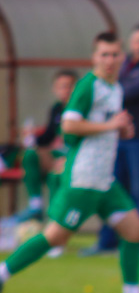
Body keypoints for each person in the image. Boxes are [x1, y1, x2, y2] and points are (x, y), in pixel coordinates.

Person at [0, 32, 139, 293]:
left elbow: (103, 126)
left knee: (135, 230)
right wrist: (110, 125)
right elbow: (69, 126)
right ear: (94, 57)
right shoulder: (88, 86)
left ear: (123, 57)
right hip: (84, 179)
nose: (110, 60)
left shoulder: (115, 88)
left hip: (104, 180)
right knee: (55, 237)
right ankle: (2, 273)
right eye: (104, 54)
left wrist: (121, 129)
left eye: (115, 54)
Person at [85, 23, 139, 255]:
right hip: (116, 138)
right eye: (138, 40)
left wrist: (110, 88)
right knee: (111, 189)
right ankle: (106, 242)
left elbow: (122, 93)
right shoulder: (123, 65)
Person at [15, 70, 78, 224]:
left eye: (69, 86)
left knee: (55, 176)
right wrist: (32, 138)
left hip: (76, 157)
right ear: (55, 89)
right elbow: (48, 136)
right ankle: (36, 207)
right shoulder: (56, 108)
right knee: (30, 155)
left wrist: (68, 158)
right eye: (61, 86)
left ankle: (55, 218)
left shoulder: (81, 108)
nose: (66, 90)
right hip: (57, 155)